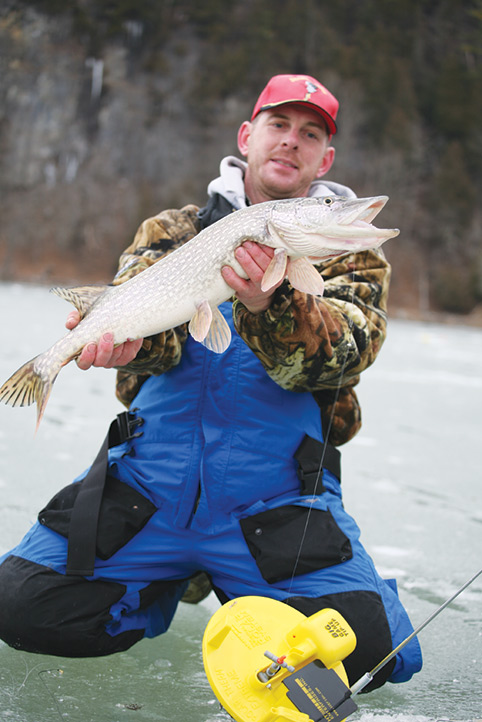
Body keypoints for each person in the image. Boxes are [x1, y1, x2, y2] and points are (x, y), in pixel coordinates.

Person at [0, 74, 422, 691]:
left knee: (364, 653)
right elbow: (158, 342)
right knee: (20, 606)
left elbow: (341, 360)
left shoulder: (349, 255)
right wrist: (129, 344)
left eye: (310, 134)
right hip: (150, 488)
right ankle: (158, 586)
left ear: (325, 160)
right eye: (279, 125)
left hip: (276, 498)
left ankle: (283, 587)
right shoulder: (171, 229)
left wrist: (269, 301)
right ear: (248, 136)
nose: (290, 142)